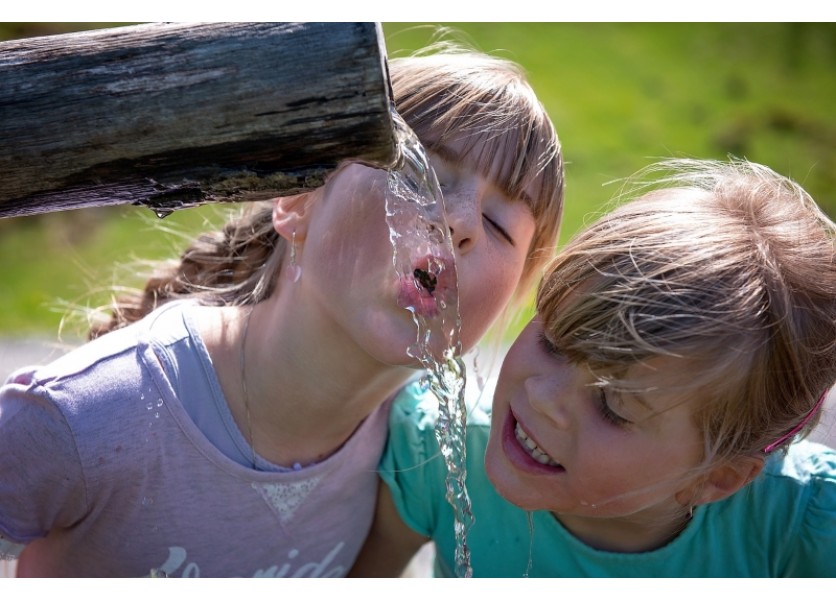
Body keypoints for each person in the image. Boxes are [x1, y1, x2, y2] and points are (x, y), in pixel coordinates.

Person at [0, 48, 564, 577]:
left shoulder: (419, 454)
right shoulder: (93, 414)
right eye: (420, 176)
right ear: (296, 202)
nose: (459, 222)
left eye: (498, 225)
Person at [351, 158, 836, 577]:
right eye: (554, 341)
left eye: (612, 405)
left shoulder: (800, 530)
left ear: (717, 478)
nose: (543, 396)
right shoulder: (439, 452)